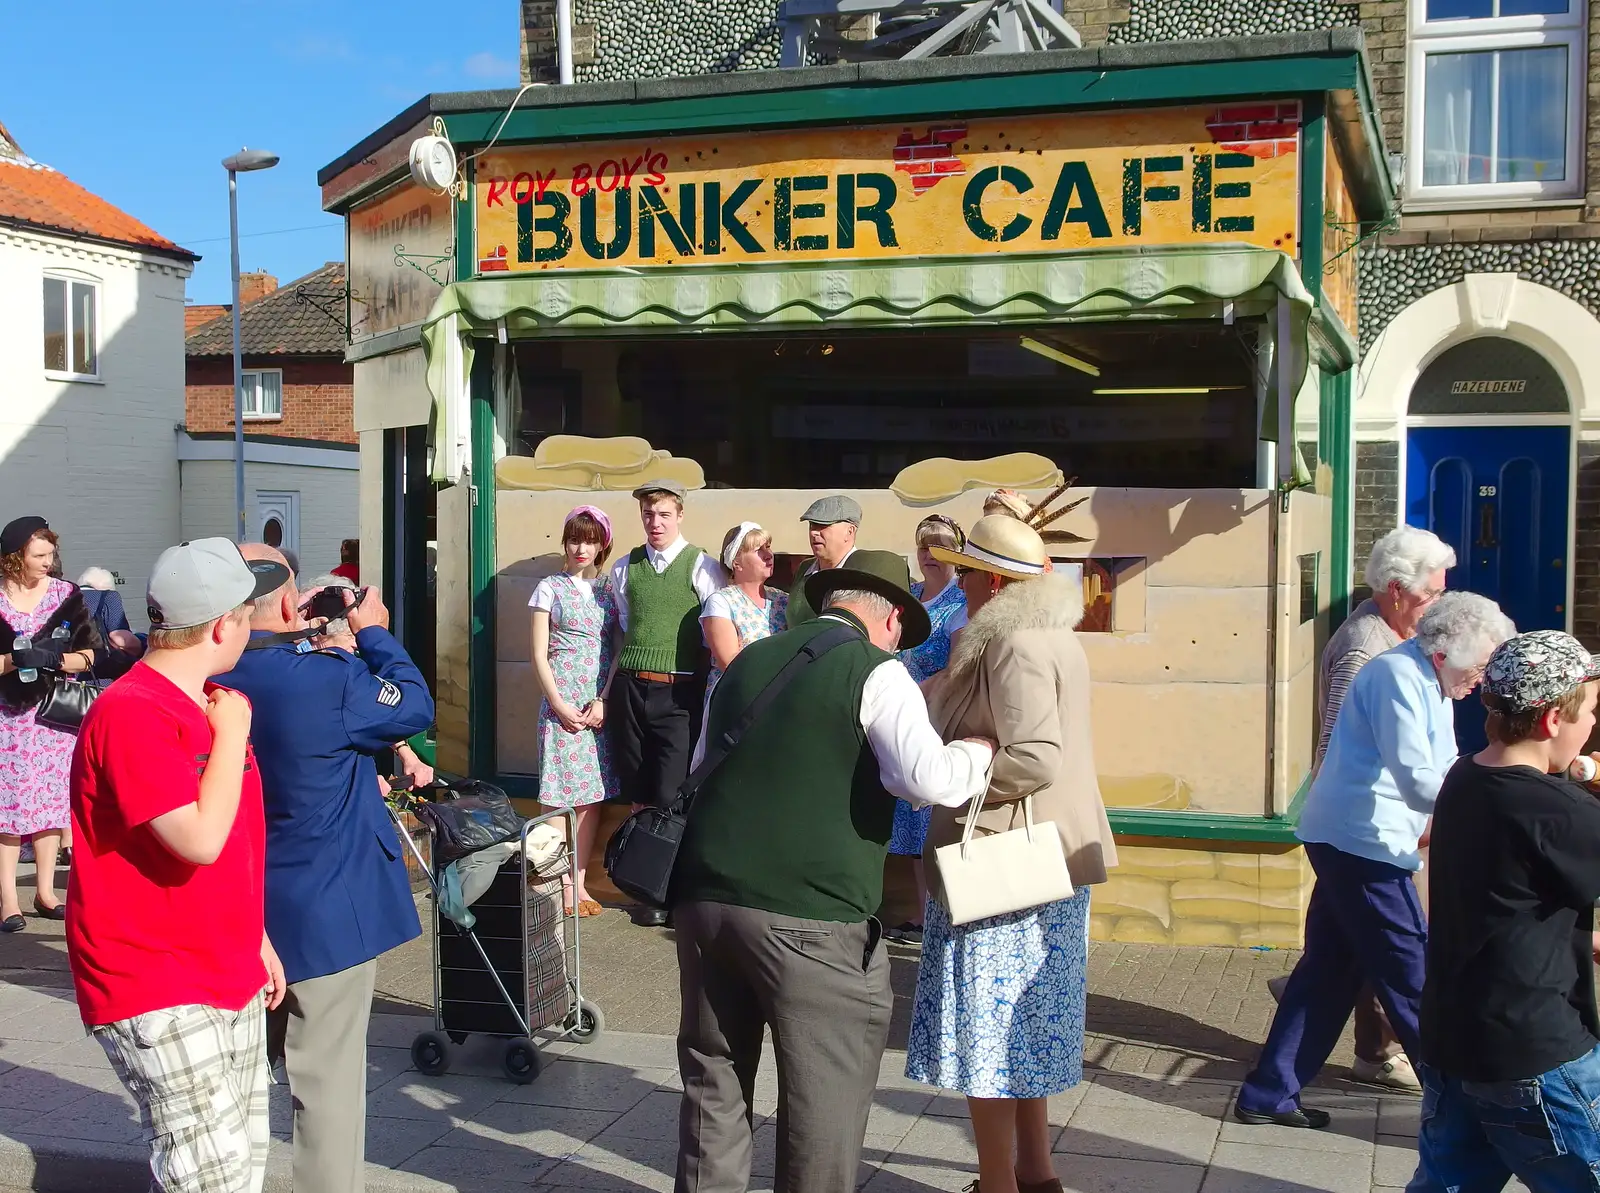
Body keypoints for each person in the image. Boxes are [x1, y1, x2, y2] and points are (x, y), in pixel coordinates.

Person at [671, 549, 994, 1193]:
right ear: (893, 620)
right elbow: (924, 780)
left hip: (705, 902)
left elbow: (701, 771)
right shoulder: (878, 672)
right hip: (811, 920)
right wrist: (974, 751)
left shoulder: (748, 661)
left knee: (714, 1087)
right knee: (824, 1105)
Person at [1235, 591, 1515, 1129]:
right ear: (1444, 652)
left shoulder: (1429, 678)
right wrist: (1492, 810)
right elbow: (1417, 778)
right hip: (1363, 845)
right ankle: (1465, 1109)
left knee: (1329, 972)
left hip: (1358, 840)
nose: (1482, 679)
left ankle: (1268, 1093)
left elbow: (1442, 763)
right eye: (1480, 665)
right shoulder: (1395, 677)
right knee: (1413, 976)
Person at [66, 537, 291, 1193]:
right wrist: (234, 736)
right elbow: (198, 839)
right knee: (210, 1176)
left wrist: (256, 934)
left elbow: (234, 842)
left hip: (224, 964)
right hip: (154, 976)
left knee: (241, 1166)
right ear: (225, 625)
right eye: (249, 612)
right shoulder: (133, 712)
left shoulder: (212, 703)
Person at [906, 512, 1117, 1193]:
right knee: (1021, 1033)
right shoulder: (1050, 633)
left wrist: (957, 772)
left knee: (991, 1039)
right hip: (1044, 862)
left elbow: (1034, 756)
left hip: (1004, 869)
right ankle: (1036, 1171)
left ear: (992, 579)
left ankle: (997, 1181)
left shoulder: (1013, 642)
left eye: (965, 569)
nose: (956, 579)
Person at [220, 545, 434, 1193]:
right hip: (326, 914)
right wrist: (370, 629)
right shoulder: (326, 678)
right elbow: (413, 705)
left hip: (232, 910)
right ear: (290, 604)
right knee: (327, 1090)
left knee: (232, 1083)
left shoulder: (203, 680)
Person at [1409, 631, 1600, 1191]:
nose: (1593, 725)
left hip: (1455, 1034)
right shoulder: (1557, 811)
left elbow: (1506, 896)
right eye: (1590, 711)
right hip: (1535, 1051)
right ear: (1550, 722)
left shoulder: (1466, 778)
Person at [1272, 526, 1457, 1092]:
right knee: (1408, 966)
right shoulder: (1367, 648)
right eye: (1431, 596)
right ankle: (1457, 1092)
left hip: (1364, 829)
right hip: (1366, 832)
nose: (1437, 608)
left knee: (1330, 964)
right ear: (1397, 590)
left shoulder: (1394, 640)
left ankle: (1271, 1091)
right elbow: (1336, 743)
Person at [608, 480, 722, 928]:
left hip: (680, 690)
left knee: (672, 791)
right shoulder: (625, 566)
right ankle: (644, 888)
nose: (655, 523)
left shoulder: (702, 566)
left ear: (679, 516)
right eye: (648, 515)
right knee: (637, 788)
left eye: (663, 515)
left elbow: (715, 623)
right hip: (631, 686)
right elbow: (623, 624)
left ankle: (673, 892)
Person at [0, 516, 104, 932]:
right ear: (14, 559)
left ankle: (45, 892)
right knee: (7, 810)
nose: (48, 561)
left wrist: (55, 660)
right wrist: (11, 661)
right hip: (6, 718)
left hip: (52, 716)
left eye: (50, 554)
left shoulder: (67, 596)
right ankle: (8, 898)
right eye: (38, 555)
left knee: (48, 804)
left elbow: (93, 655)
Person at [530, 506, 620, 917]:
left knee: (590, 800)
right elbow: (537, 654)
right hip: (561, 706)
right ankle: (558, 883)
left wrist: (604, 698)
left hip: (596, 708)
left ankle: (581, 884)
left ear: (603, 544)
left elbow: (617, 649)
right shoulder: (549, 587)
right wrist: (559, 704)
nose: (581, 547)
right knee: (558, 799)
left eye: (589, 539)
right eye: (573, 539)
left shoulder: (608, 591)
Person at [887, 514, 970, 945]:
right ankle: (921, 918)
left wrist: (908, 695)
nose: (929, 554)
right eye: (923, 546)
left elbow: (955, 670)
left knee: (930, 823)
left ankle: (942, 918)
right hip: (898, 716)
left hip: (934, 718)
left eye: (939, 546)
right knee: (907, 821)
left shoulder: (960, 604)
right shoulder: (910, 597)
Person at [690, 522, 788, 769]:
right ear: (736, 562)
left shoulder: (783, 601)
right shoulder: (722, 602)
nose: (768, 554)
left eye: (769, 547)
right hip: (737, 699)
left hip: (780, 700)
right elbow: (729, 661)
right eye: (758, 550)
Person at [785, 495, 861, 627]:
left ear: (850, 532)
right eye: (812, 525)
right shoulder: (804, 569)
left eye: (823, 525)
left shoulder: (865, 570)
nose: (814, 532)